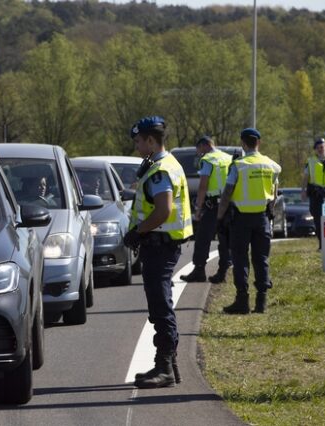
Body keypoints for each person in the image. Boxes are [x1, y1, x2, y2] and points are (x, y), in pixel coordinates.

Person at [123, 116, 193, 388]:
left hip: (159, 246)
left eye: (139, 141)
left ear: (151, 141)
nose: (137, 146)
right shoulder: (166, 163)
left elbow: (163, 210)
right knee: (160, 303)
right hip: (162, 245)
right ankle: (167, 365)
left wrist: (138, 231)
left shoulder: (160, 171)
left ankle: (164, 367)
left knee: (160, 306)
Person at [217, 128, 281, 314]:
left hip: (241, 219)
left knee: (240, 258)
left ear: (243, 144)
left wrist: (220, 217)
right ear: (258, 143)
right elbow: (274, 193)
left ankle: (242, 301)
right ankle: (261, 302)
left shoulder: (239, 165)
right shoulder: (272, 165)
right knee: (261, 258)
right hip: (262, 218)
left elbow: (227, 193)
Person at [180, 136, 232, 283]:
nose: (199, 154)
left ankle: (199, 271)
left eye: (199, 150)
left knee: (203, 238)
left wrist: (198, 208)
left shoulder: (208, 160)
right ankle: (223, 272)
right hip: (228, 205)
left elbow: (203, 186)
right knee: (224, 239)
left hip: (213, 206)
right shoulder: (227, 158)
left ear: (204, 146)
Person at [301, 137, 325, 249]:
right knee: (317, 219)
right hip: (316, 193)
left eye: (322, 146)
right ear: (315, 149)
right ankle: (322, 244)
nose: (320, 149)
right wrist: (303, 191)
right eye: (318, 147)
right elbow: (305, 178)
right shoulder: (310, 161)